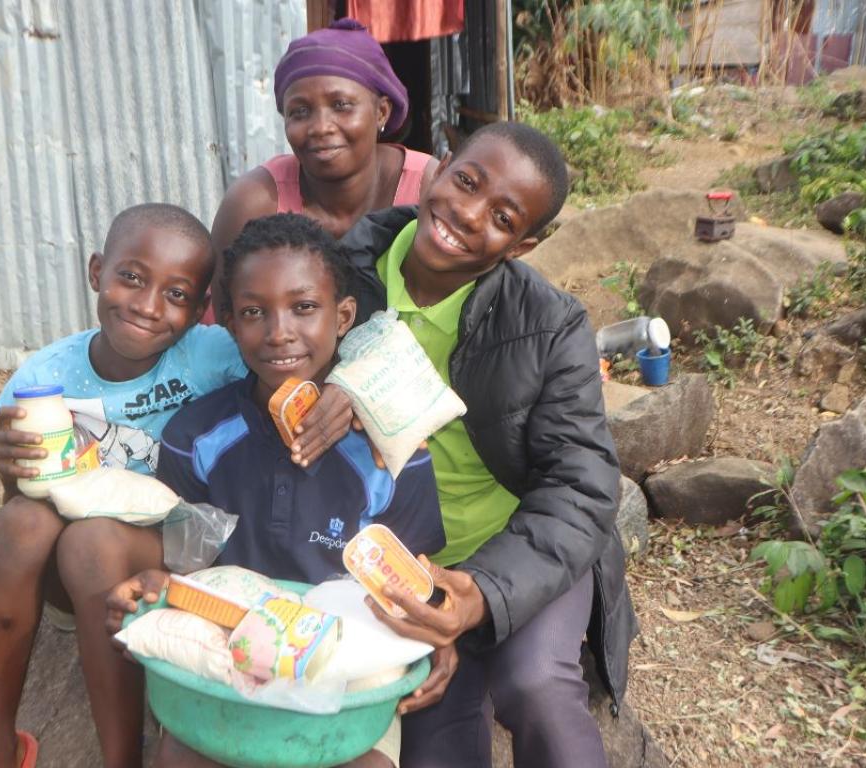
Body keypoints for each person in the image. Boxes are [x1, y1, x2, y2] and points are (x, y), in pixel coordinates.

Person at [0, 204, 353, 768]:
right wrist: (12, 476)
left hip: (169, 553)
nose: (148, 307)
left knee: (94, 540)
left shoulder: (215, 353)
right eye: (131, 277)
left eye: (176, 295)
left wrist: (350, 388)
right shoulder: (41, 378)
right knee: (23, 522)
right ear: (96, 271)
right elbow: (26, 510)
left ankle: (122, 756)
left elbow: (296, 353)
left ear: (202, 311)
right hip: (70, 576)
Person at [335, 122, 638, 768]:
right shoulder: (337, 272)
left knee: (537, 687)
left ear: (523, 244)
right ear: (439, 169)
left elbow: (581, 488)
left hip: (516, 550)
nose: (467, 215)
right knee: (426, 729)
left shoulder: (551, 326)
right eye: (466, 182)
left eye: (502, 217)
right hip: (393, 564)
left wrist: (480, 592)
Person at [104, 213, 446, 767]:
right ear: (231, 325)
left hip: (344, 684)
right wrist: (156, 588)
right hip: (225, 670)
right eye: (254, 312)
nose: (279, 331)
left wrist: (435, 635)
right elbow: (185, 570)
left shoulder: (393, 453)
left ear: (344, 318)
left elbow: (415, 578)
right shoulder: (196, 437)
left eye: (304, 307)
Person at [205, 18, 439, 321]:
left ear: (381, 111)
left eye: (341, 105)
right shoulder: (255, 202)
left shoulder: (426, 187)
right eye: (299, 112)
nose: (320, 128)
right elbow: (228, 320)